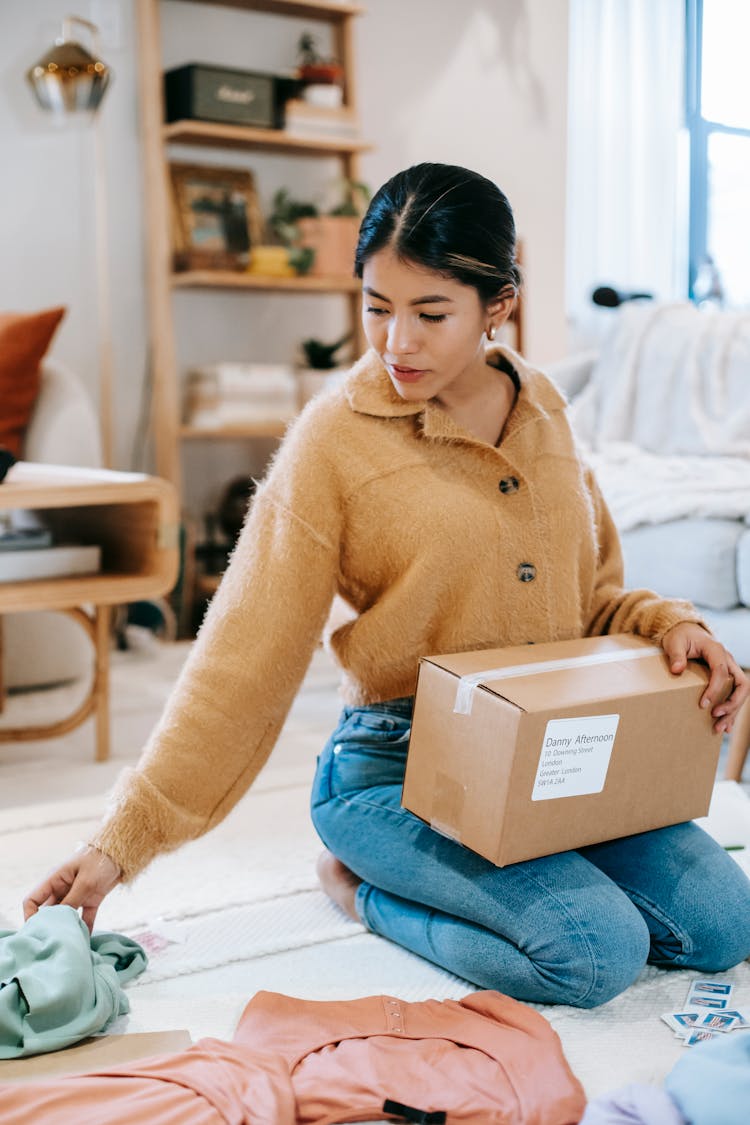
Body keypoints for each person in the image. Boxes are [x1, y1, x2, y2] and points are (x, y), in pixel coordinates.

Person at [24, 163, 750, 1006]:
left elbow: (592, 593)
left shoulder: (542, 404)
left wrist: (668, 624)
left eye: (430, 313)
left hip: (552, 759)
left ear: (499, 306)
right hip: (400, 770)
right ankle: (358, 887)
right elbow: (240, 663)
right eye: (376, 305)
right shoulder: (333, 441)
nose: (395, 341)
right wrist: (121, 842)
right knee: (594, 953)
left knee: (723, 924)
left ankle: (539, 868)